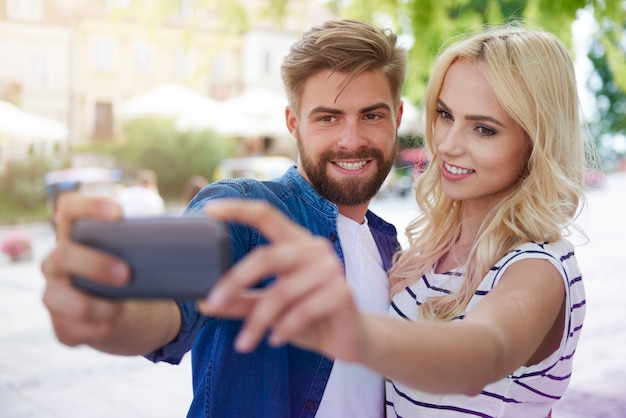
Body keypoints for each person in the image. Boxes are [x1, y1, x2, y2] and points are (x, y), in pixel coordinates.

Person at [197, 24, 588, 417]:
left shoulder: (538, 266)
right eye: (445, 115)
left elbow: (484, 351)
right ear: (293, 122)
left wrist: (350, 329)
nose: (448, 144)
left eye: (484, 128)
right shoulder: (416, 261)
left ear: (537, 141)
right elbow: (168, 303)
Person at [41, 19, 407, 418]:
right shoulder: (246, 212)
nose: (351, 139)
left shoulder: (392, 249)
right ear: (293, 123)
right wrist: (115, 312)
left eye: (371, 116)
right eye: (328, 118)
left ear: (398, 117)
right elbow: (174, 300)